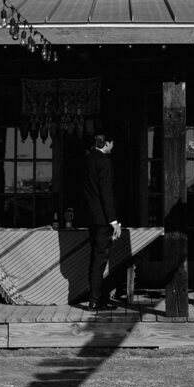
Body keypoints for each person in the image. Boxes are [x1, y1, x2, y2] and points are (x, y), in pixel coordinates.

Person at [83, 132, 121, 310]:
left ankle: (94, 297)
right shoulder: (104, 161)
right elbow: (106, 192)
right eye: (112, 143)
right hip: (102, 218)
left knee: (95, 257)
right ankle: (95, 299)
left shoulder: (87, 159)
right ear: (106, 143)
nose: (113, 146)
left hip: (90, 215)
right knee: (100, 258)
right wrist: (113, 220)